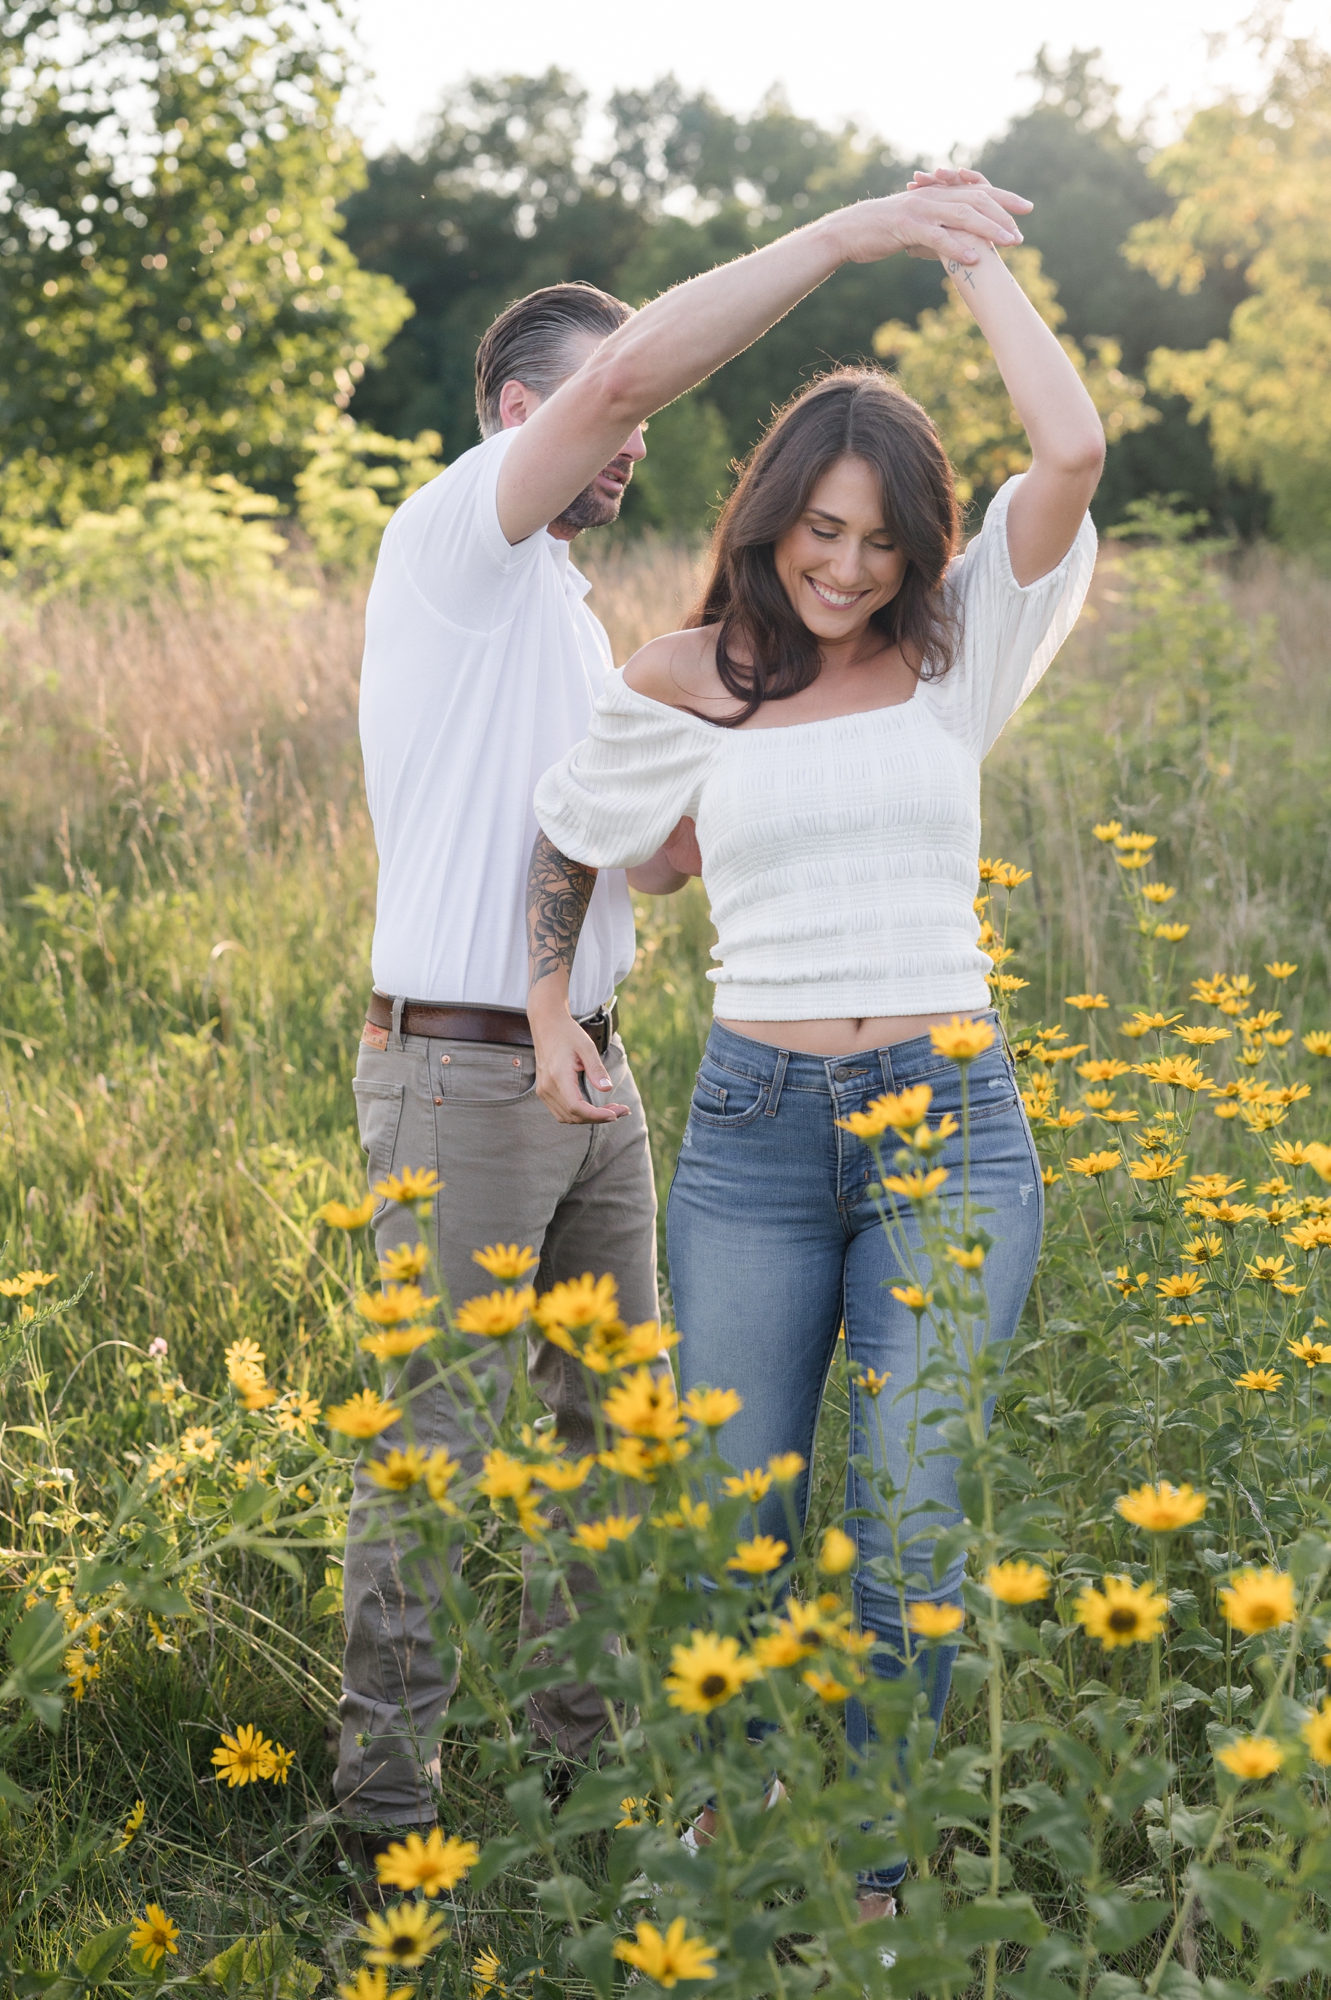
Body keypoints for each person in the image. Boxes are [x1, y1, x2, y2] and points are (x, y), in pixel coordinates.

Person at [339, 167, 1037, 1879]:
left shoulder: (578, 632)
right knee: (435, 1444)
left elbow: (634, 850)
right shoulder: (455, 541)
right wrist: (852, 233)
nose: (634, 449)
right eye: (603, 416)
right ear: (530, 414)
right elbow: (634, 377)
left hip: (611, 1082)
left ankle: (587, 1792)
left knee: (616, 1450)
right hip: (456, 1067)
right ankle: (384, 1816)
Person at [525, 168, 1104, 1920]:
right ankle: (721, 1825)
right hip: (759, 1136)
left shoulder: (958, 651)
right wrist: (557, 1005)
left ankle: (857, 1873)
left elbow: (1066, 456)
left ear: (918, 548)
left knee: (912, 1525)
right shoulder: (695, 672)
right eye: (818, 534)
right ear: (770, 521)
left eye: (879, 540)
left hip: (953, 1121)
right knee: (739, 1521)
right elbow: (573, 835)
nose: (846, 568)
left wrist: (969, 259)